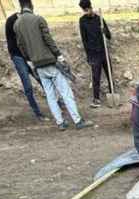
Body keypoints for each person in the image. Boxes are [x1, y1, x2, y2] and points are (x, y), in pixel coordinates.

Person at [14, 0, 93, 131]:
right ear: (31, 5)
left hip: (37, 65)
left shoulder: (17, 25)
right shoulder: (38, 19)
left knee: (50, 96)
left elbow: (21, 46)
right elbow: (48, 39)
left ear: (21, 6)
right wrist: (58, 55)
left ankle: (60, 122)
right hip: (50, 62)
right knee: (65, 92)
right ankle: (78, 120)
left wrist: (30, 60)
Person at [4, 8, 44, 120]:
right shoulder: (12, 21)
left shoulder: (26, 21)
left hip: (29, 55)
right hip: (18, 56)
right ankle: (37, 113)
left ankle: (59, 103)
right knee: (28, 85)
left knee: (42, 80)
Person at [78, 0, 112, 108]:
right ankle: (96, 99)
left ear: (91, 7)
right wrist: (89, 56)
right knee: (96, 77)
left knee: (109, 74)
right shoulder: (82, 21)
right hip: (93, 54)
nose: (86, 12)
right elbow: (84, 40)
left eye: (87, 9)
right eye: (84, 10)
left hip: (103, 52)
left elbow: (109, 36)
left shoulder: (99, 19)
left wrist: (104, 31)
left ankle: (113, 95)